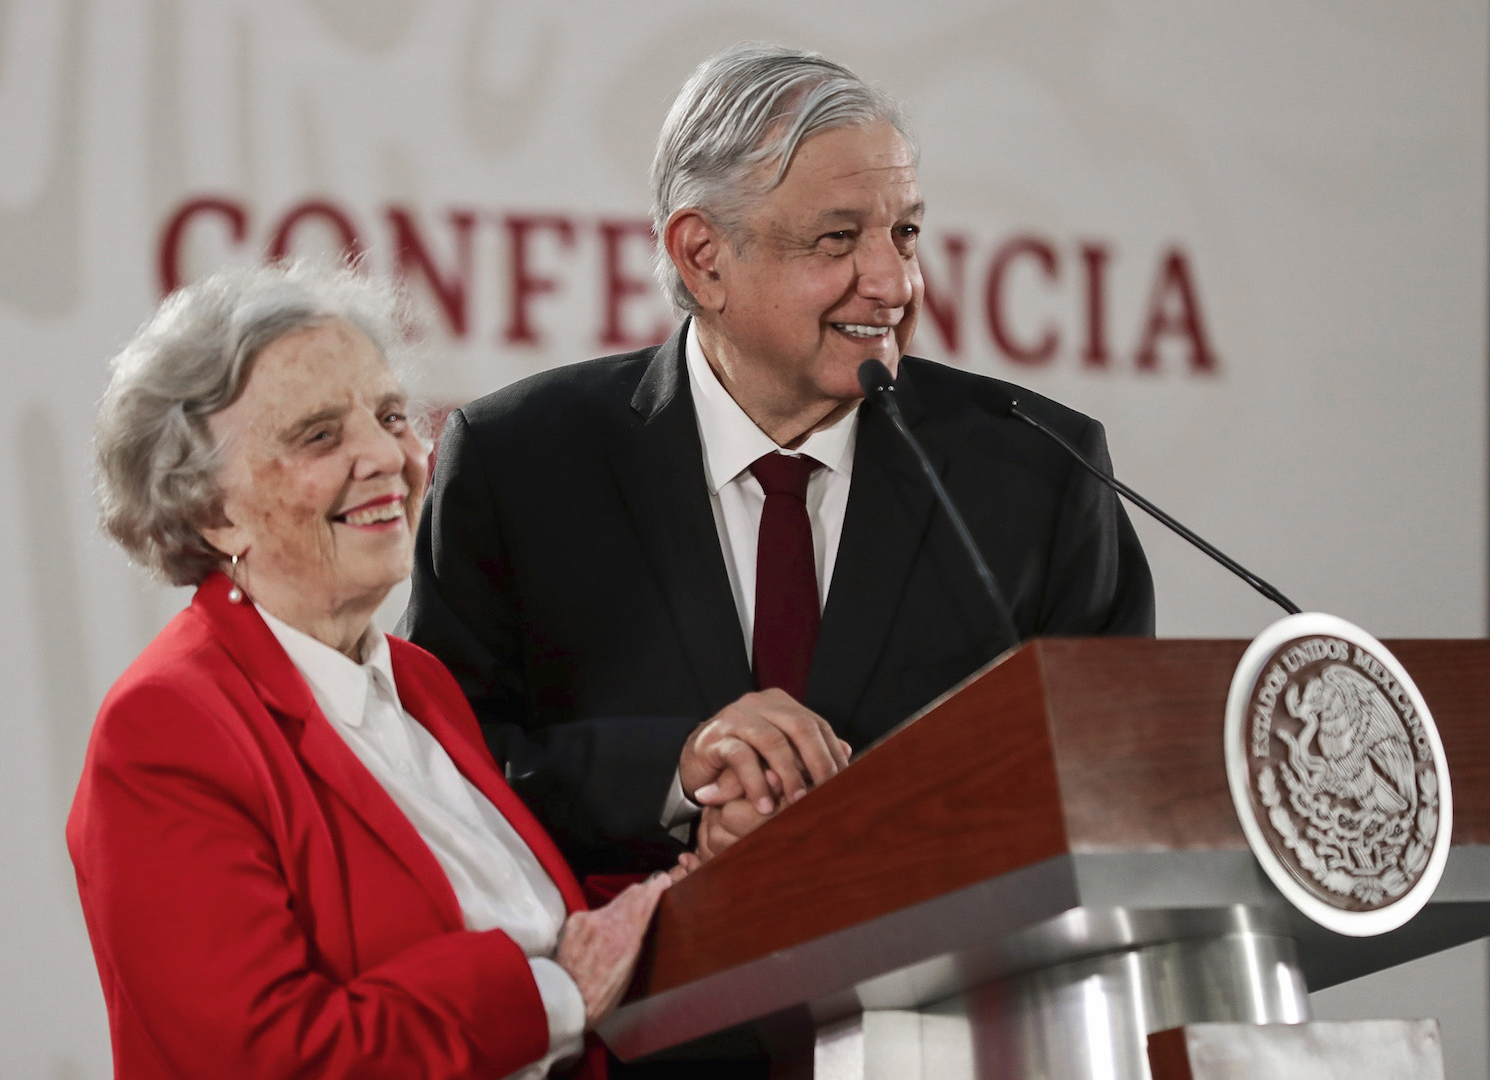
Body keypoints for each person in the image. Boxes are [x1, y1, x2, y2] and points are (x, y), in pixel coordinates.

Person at [402, 43, 1155, 881]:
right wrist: (674, 778)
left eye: (904, 233)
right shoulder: (518, 464)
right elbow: (436, 768)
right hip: (629, 960)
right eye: (837, 240)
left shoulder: (1038, 470)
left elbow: (1113, 778)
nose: (893, 283)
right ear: (702, 256)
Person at [67, 262, 691, 1080]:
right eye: (318, 436)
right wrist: (555, 999)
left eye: (391, 415)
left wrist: (694, 883)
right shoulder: (167, 727)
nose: (386, 456)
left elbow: (528, 925)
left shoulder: (416, 680)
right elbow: (268, 1058)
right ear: (213, 512)